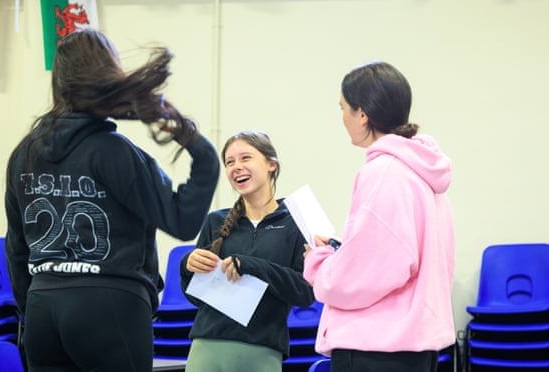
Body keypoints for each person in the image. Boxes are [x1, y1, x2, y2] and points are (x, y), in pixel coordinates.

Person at [4, 29, 220, 372]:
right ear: (107, 75)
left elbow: (16, 248)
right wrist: (191, 139)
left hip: (43, 307)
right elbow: (182, 220)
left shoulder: (24, 154)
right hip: (110, 304)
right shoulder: (115, 153)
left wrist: (34, 305)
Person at [303, 62, 455, 372]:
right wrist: (343, 250)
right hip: (412, 346)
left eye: (343, 108)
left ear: (362, 114)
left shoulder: (383, 172)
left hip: (375, 348)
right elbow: (398, 254)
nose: (342, 118)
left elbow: (369, 273)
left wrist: (320, 263)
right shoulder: (424, 172)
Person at [179, 130, 314, 372]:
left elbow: (305, 293)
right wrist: (187, 266)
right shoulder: (214, 221)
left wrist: (251, 266)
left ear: (271, 164)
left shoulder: (298, 222)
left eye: (245, 158)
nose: (236, 167)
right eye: (230, 162)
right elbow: (195, 296)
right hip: (206, 346)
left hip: (263, 349)